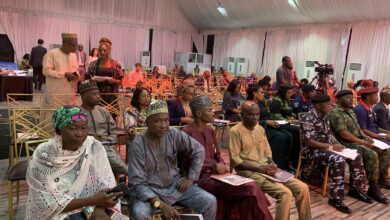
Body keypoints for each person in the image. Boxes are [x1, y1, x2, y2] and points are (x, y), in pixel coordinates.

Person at [182, 95, 273, 220]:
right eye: (209, 110)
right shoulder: (187, 132)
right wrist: (213, 166)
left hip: (219, 174)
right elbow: (186, 162)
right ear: (198, 113)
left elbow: (217, 154)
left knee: (248, 194)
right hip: (201, 179)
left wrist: (221, 163)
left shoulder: (210, 130)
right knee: (251, 189)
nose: (212, 113)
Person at [26, 106, 123, 219]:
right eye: (73, 128)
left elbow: (106, 183)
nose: (80, 134)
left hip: (95, 206)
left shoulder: (94, 146)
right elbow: (47, 202)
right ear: (59, 130)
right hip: (58, 213)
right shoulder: (44, 154)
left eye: (84, 128)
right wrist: (93, 201)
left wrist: (99, 208)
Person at [128, 100, 217, 220]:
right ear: (147, 122)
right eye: (157, 121)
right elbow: (137, 183)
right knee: (140, 214)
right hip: (149, 191)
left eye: (166, 120)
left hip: (175, 186)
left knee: (209, 201)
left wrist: (191, 178)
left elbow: (199, 150)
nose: (163, 125)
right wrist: (161, 205)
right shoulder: (138, 143)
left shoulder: (173, 133)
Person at [229, 100, 312, 220]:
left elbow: (267, 151)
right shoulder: (235, 131)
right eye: (251, 114)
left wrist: (272, 163)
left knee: (303, 188)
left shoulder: (260, 129)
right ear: (241, 115)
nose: (255, 117)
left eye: (257, 114)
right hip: (249, 171)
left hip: (265, 168)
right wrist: (260, 169)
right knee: (285, 193)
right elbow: (235, 159)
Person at [301, 94, 373, 213]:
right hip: (313, 150)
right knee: (338, 160)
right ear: (318, 105)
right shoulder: (307, 117)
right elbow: (309, 141)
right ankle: (335, 198)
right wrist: (331, 147)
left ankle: (356, 189)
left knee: (356, 156)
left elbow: (330, 135)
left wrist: (339, 145)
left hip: (328, 148)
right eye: (328, 104)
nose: (331, 105)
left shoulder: (324, 116)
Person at [329, 90, 390, 204]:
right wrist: (362, 142)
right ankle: (373, 186)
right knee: (371, 153)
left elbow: (359, 129)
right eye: (348, 98)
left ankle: (380, 179)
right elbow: (344, 134)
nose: (351, 100)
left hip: (358, 139)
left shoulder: (350, 111)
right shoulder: (336, 113)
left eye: (352, 98)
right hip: (345, 143)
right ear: (339, 99)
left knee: (383, 150)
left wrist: (366, 138)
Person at [79, 80, 128, 176]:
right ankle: (133, 176)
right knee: (116, 163)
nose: (98, 96)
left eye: (98, 94)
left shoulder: (103, 111)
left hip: (107, 145)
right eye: (94, 94)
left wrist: (110, 140)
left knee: (111, 158)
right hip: (87, 147)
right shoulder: (77, 113)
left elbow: (113, 130)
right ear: (84, 96)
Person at [246, 84, 293, 170]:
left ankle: (285, 163)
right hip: (258, 128)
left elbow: (268, 115)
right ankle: (276, 164)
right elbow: (249, 121)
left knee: (288, 135)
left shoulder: (261, 103)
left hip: (267, 125)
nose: (263, 94)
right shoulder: (248, 105)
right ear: (254, 94)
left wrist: (273, 121)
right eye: (261, 92)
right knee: (280, 137)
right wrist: (267, 122)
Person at [42, 33, 79, 107]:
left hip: (69, 92)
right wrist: (64, 74)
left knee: (68, 115)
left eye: (76, 45)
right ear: (65, 44)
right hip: (55, 92)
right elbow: (46, 71)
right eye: (74, 45)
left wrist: (76, 75)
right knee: (53, 115)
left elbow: (76, 69)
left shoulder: (73, 55)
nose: (76, 48)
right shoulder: (51, 54)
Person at [87, 37, 124, 105]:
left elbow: (120, 81)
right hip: (96, 97)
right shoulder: (93, 64)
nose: (102, 52)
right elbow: (88, 79)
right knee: (97, 115)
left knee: (111, 115)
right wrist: (92, 80)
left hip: (112, 98)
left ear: (109, 51)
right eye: (100, 50)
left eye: (105, 50)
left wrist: (113, 81)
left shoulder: (116, 64)